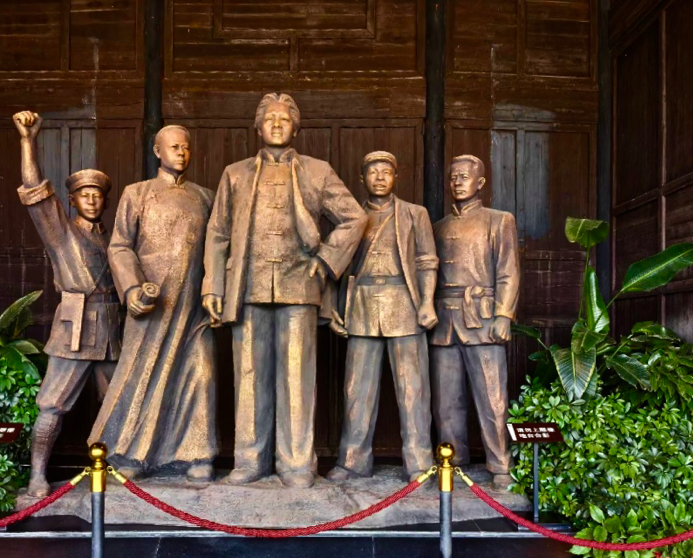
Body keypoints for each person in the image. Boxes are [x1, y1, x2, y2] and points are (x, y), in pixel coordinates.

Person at [202, 93, 367, 488]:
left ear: (296, 128)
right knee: (249, 375)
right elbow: (218, 232)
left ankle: (296, 464)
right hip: (248, 285)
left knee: (297, 375)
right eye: (269, 119)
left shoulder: (317, 171)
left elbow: (354, 218)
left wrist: (326, 260)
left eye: (284, 119)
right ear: (257, 127)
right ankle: (249, 461)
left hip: (299, 285)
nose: (276, 125)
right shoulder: (235, 174)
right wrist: (213, 285)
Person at [89, 125, 217, 482]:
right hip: (151, 305)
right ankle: (132, 452)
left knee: (201, 373)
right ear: (158, 151)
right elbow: (119, 246)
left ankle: (195, 453)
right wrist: (131, 289)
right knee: (141, 375)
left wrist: (216, 293)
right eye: (174, 147)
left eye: (186, 147)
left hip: (193, 309)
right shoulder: (138, 193)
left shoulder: (206, 197)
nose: (181, 153)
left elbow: (220, 248)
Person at [13, 110, 120, 498]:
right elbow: (35, 191)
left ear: (105, 201)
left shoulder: (114, 239)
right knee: (52, 406)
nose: (91, 200)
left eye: (97, 195)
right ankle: (37, 477)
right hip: (74, 327)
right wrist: (28, 141)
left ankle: (117, 474)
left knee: (119, 405)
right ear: (72, 201)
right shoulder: (60, 232)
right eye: (84, 195)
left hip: (111, 329)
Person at [326, 151, 438, 482]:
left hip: (404, 305)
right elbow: (334, 266)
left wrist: (427, 303)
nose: (379, 177)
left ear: (396, 178)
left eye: (386, 172)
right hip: (361, 306)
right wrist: (331, 308)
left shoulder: (415, 214)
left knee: (413, 390)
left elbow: (427, 261)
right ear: (362, 179)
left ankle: (419, 464)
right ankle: (352, 461)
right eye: (373, 172)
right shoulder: (351, 216)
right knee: (356, 390)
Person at [430, 155, 520, 489]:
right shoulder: (437, 227)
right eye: (453, 177)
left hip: (482, 318)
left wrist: (503, 315)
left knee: (492, 398)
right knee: (445, 401)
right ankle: (451, 462)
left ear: (480, 182)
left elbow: (508, 271)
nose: (457, 182)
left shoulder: (499, 220)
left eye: (464, 176)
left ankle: (500, 466)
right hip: (444, 321)